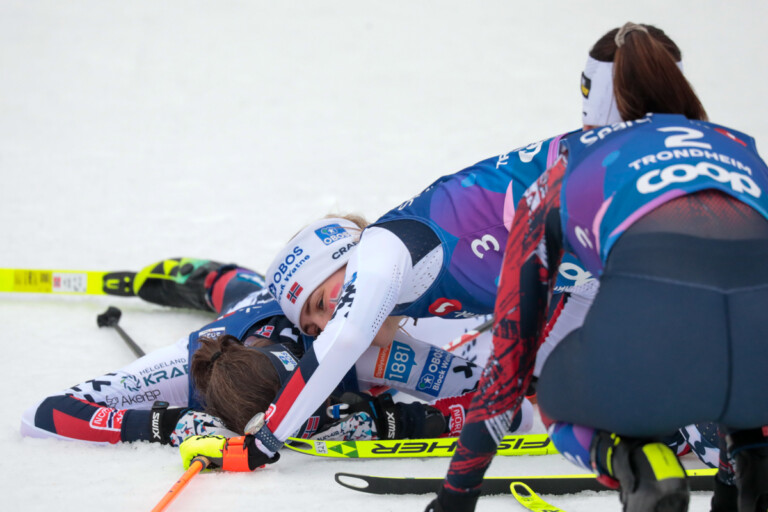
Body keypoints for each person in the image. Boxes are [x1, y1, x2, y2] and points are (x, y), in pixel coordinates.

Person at [425, 22, 768, 512]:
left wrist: (455, 497)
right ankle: (754, 466)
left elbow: (508, 366)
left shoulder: (564, 171)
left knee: (551, 385)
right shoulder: (742, 149)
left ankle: (638, 463)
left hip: (661, 353)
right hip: (757, 371)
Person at [176, 107, 571, 467]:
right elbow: (517, 406)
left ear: (345, 258)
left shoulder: (380, 253)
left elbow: (346, 337)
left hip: (593, 194)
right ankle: (220, 281)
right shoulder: (409, 289)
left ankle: (217, 279)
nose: (326, 326)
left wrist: (262, 443)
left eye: (320, 302)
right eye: (313, 327)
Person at [21, 255, 518, 446]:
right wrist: (163, 424)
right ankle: (186, 276)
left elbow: (506, 400)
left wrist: (394, 419)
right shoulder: (180, 369)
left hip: (268, 300)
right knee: (234, 288)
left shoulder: (358, 350)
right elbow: (44, 414)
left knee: (235, 283)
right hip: (245, 314)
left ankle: (181, 275)